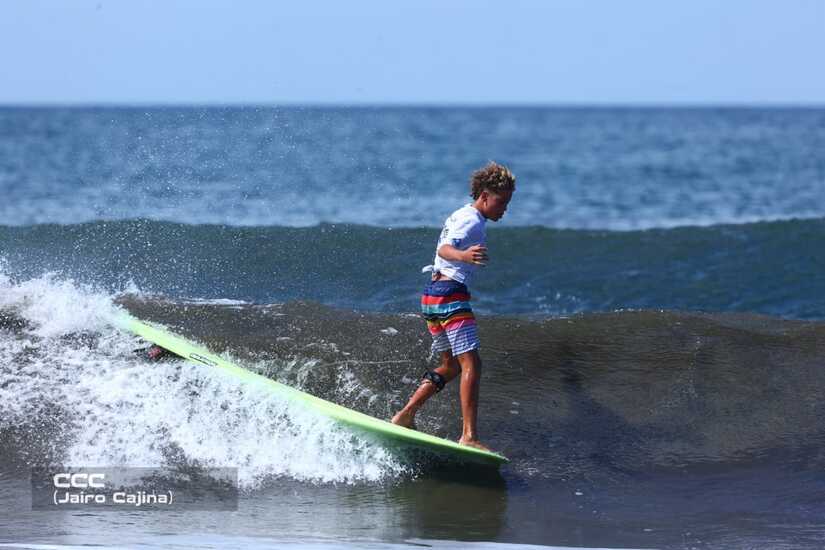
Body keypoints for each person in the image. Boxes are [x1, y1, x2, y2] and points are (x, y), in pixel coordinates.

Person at [391, 161, 515, 451]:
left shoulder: (463, 215)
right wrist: (464, 257)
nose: (504, 209)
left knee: (450, 365)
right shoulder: (470, 219)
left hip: (433, 297)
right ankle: (469, 436)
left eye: (508, 203)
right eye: (501, 202)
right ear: (484, 196)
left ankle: (405, 414)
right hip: (449, 295)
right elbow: (443, 250)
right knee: (471, 364)